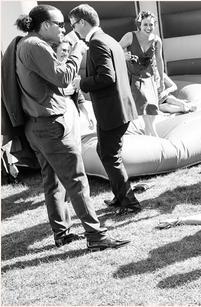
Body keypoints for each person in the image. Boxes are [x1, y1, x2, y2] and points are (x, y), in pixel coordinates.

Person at [14, 4, 129, 251]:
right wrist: (77, 50)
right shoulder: (35, 45)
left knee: (53, 182)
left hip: (39, 125)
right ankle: (96, 237)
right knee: (77, 181)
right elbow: (63, 77)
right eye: (59, 24)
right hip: (51, 126)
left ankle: (62, 233)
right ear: (45, 25)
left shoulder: (27, 45)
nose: (64, 29)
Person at [70, 4, 141, 214]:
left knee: (110, 156)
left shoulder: (97, 42)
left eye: (74, 25)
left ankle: (130, 203)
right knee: (106, 153)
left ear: (82, 22)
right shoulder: (108, 38)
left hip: (112, 111)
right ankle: (121, 196)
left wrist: (80, 83)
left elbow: (107, 77)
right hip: (119, 109)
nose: (74, 29)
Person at [119, 11, 164, 136]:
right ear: (139, 24)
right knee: (145, 110)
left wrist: (160, 80)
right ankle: (155, 137)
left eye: (151, 25)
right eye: (145, 25)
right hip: (134, 78)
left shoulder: (156, 41)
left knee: (153, 110)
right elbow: (115, 50)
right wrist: (124, 55)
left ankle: (148, 134)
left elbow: (159, 60)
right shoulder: (130, 36)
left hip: (149, 78)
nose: (148, 28)